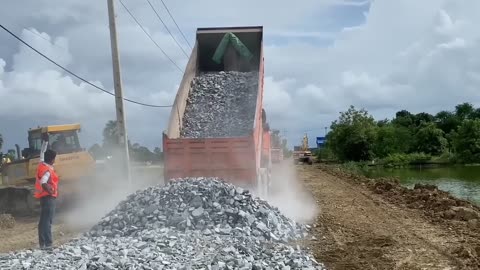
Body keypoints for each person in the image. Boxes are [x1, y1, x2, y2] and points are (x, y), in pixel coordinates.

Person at [34, 138, 59, 250]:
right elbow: (43, 181)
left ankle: (42, 243)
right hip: (49, 197)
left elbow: (42, 154)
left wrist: (45, 142)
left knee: (43, 221)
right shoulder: (47, 170)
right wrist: (50, 190)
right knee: (47, 221)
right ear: (52, 159)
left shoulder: (41, 165)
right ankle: (48, 244)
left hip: (43, 197)